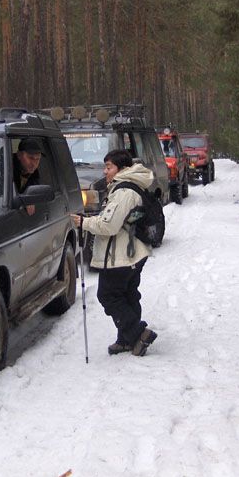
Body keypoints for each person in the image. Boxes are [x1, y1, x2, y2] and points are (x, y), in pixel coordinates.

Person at [71, 149, 158, 356]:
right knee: (128, 295)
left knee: (108, 295)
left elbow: (109, 225)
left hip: (121, 255)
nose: (105, 171)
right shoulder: (130, 186)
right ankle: (127, 340)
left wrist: (84, 222)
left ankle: (138, 333)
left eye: (109, 167)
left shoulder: (124, 192)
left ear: (122, 168)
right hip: (133, 252)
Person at [13, 137, 43, 215]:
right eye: (31, 158)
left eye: (38, 159)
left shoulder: (35, 176)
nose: (34, 163)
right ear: (19, 155)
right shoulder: (6, 170)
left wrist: (31, 199)